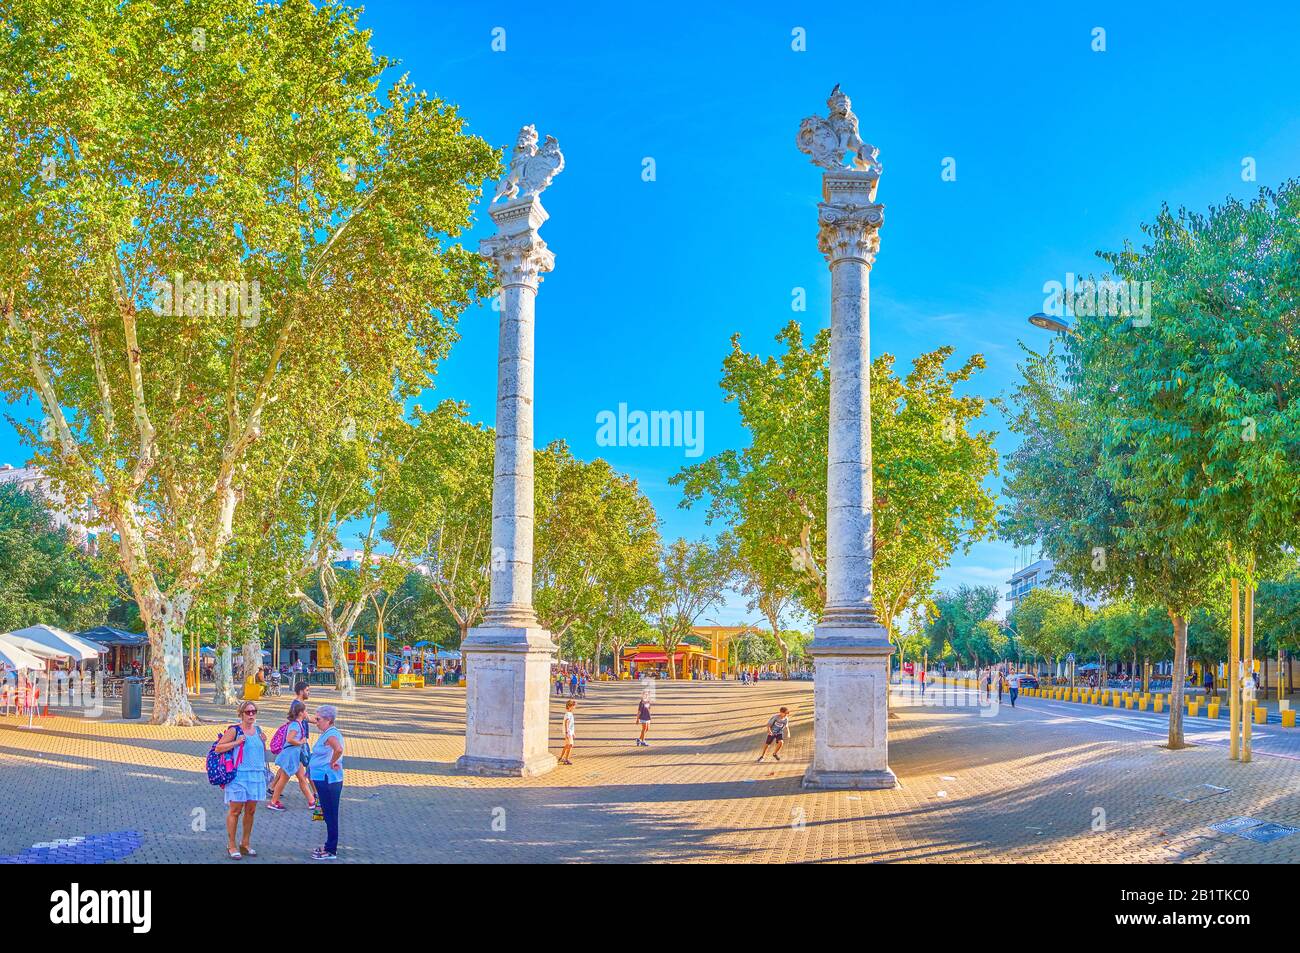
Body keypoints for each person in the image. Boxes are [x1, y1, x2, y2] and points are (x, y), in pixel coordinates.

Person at [213, 701, 268, 860]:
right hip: (239, 776)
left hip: (256, 776)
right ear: (241, 714)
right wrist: (237, 742)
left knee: (251, 811)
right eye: (248, 712)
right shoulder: (234, 730)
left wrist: (263, 741)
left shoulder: (258, 730)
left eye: (254, 712)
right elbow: (218, 748)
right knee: (235, 810)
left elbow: (259, 752)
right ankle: (231, 845)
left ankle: (245, 843)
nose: (251, 715)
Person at [309, 704, 344, 860]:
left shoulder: (331, 734)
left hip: (328, 780)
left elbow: (338, 749)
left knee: (330, 814)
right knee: (328, 813)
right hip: (324, 779)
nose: (316, 722)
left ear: (328, 720)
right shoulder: (328, 732)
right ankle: (330, 846)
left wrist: (333, 762)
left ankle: (331, 849)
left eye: (318, 719)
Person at [267, 700, 315, 812]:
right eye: (305, 711)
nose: (306, 713)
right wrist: (301, 742)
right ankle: (273, 802)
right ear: (300, 713)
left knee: (302, 778)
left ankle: (312, 801)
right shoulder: (295, 725)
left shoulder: (297, 724)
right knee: (283, 779)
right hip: (291, 756)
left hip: (294, 756)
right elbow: (289, 739)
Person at [558, 698, 576, 765]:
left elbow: (570, 724)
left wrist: (573, 732)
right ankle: (566, 759)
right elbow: (566, 722)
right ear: (569, 706)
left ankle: (561, 757)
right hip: (568, 732)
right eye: (573, 706)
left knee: (566, 745)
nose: (574, 707)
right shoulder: (568, 714)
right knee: (570, 745)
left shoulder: (569, 713)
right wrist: (567, 732)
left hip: (569, 732)